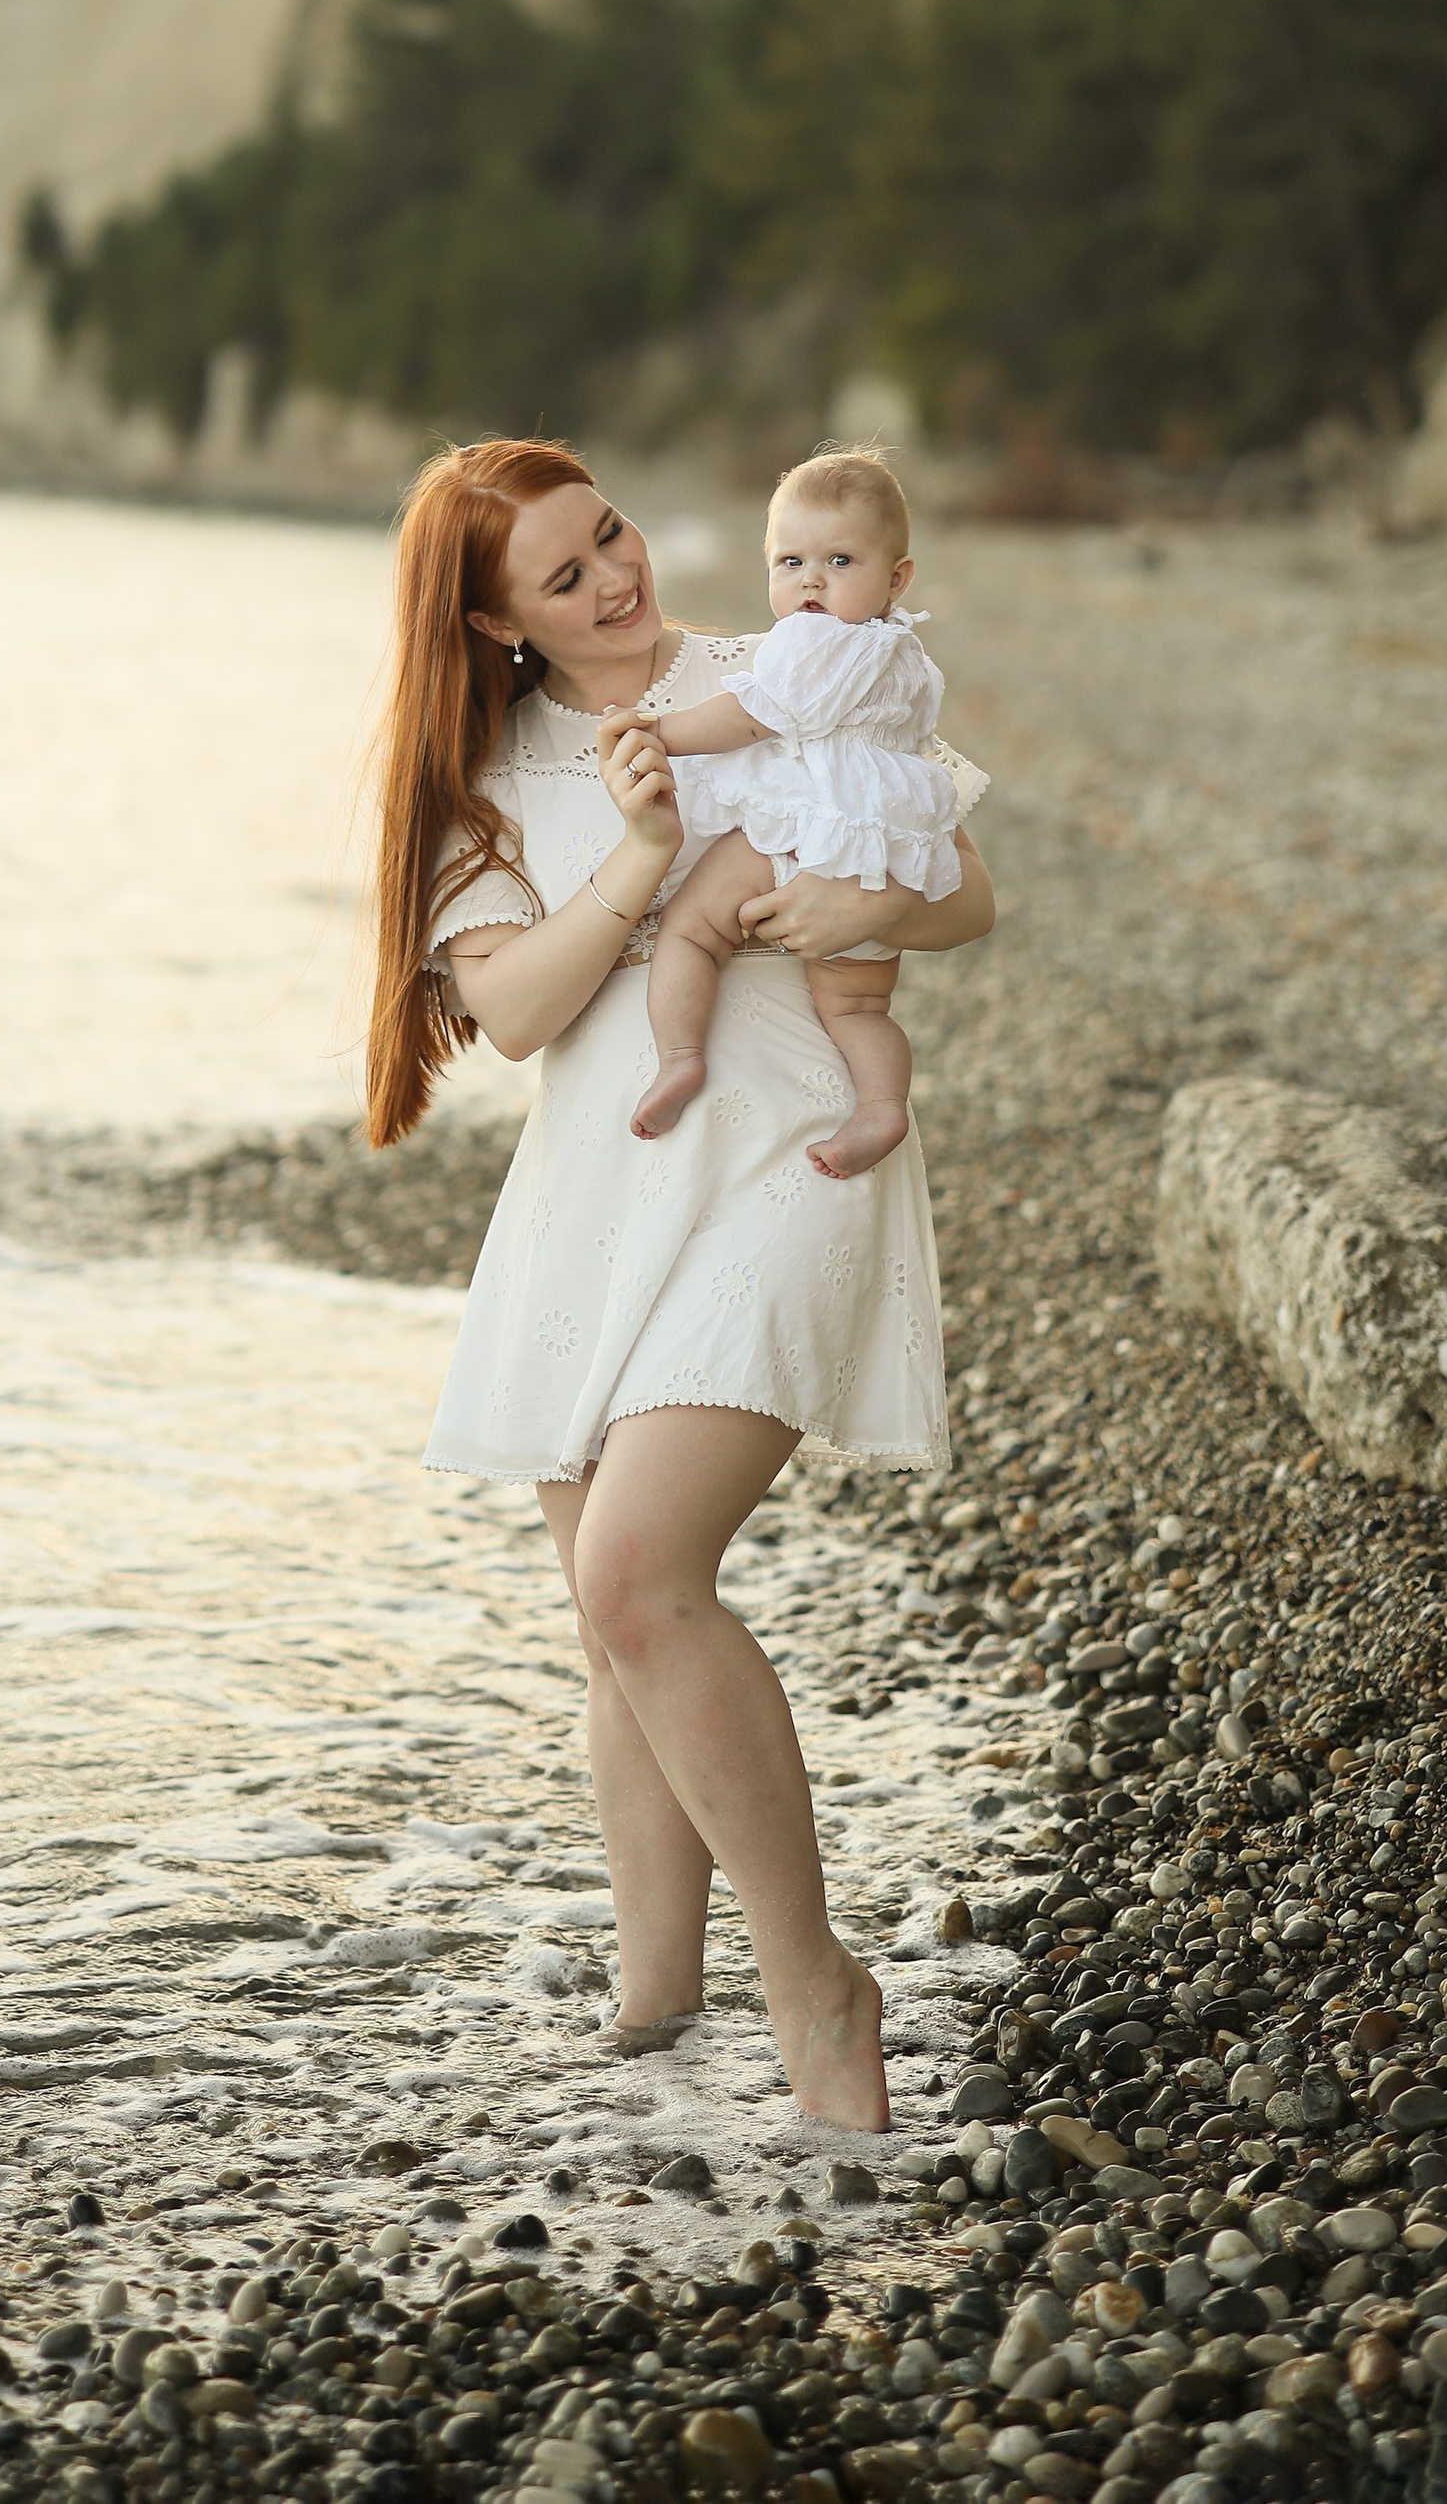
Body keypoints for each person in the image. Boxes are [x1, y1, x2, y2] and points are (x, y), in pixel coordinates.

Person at [364, 437, 996, 2131]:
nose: (616, 580)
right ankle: (658, 1998)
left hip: (793, 1153)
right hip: (600, 1197)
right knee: (616, 1615)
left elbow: (966, 889)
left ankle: (821, 1988)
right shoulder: (483, 779)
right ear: (497, 623)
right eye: (563, 576)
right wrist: (645, 857)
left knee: (644, 1566)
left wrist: (843, 901)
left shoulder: (785, 660)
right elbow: (517, 1012)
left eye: (614, 534)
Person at [622, 448, 987, 1177]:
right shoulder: (907, 656)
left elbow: (753, 716)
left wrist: (658, 733)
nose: (811, 579)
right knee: (857, 1009)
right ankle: (882, 1107)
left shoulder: (810, 640)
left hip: (794, 825)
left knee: (691, 931)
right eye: (790, 562)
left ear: (897, 577)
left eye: (840, 560)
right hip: (875, 855)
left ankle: (681, 1058)